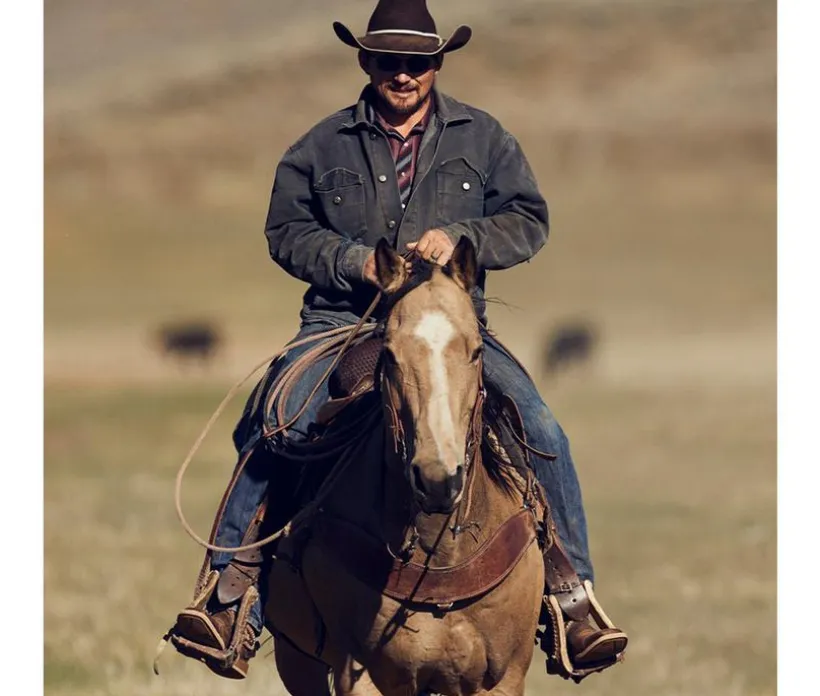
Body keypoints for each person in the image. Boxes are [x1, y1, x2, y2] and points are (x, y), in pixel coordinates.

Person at [164, 0, 627, 682]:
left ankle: (571, 596)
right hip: (344, 323)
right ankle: (230, 596)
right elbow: (285, 233)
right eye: (389, 61)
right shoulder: (320, 147)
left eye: (416, 62)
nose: (402, 74)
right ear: (366, 62)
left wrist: (467, 241)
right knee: (273, 422)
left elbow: (528, 218)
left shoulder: (484, 137)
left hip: (448, 323)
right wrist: (357, 262)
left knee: (541, 426)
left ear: (437, 65)